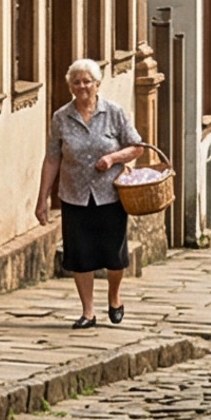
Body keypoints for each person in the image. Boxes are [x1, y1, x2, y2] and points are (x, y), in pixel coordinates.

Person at [37, 57, 149, 328]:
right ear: (70, 87)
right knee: (80, 255)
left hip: (110, 194)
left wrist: (113, 158)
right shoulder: (61, 118)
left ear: (97, 84)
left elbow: (137, 146)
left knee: (114, 256)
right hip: (74, 195)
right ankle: (88, 311)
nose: (82, 86)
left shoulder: (114, 112)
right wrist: (42, 198)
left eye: (87, 81)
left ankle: (114, 296)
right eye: (76, 82)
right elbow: (52, 158)